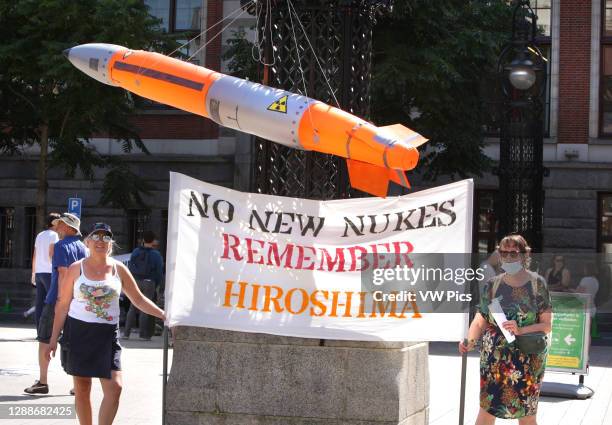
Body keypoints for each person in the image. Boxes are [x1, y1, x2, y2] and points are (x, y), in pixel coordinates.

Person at [46, 223, 165, 425]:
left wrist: (164, 315)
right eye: (97, 237)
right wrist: (52, 339)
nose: (101, 241)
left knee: (115, 387)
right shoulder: (77, 268)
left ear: (111, 244)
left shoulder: (119, 269)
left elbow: (139, 299)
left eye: (107, 237)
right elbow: (63, 304)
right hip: (79, 332)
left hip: (108, 335)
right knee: (82, 389)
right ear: (88, 242)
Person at [459, 234, 552, 424]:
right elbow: (480, 319)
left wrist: (520, 330)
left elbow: (547, 325)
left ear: (525, 255)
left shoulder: (537, 284)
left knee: (527, 414)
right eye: (504, 252)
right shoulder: (493, 285)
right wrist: (470, 340)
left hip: (527, 358)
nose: (508, 257)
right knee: (487, 410)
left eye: (513, 253)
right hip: (494, 359)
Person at [25, 212, 87, 395]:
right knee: (75, 340)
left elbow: (62, 272)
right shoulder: (84, 248)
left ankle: (43, 381)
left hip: (57, 300)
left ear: (69, 228)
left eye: (61, 224)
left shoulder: (61, 246)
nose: (57, 227)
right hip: (77, 301)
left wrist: (61, 300)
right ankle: (78, 384)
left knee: (45, 338)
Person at [123, 230, 164, 340]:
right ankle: (143, 334)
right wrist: (158, 284)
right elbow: (159, 271)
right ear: (153, 241)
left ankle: (126, 333)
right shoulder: (156, 255)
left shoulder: (136, 251)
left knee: (132, 307)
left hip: (136, 280)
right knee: (145, 307)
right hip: (149, 282)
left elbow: (130, 266)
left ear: (143, 240)